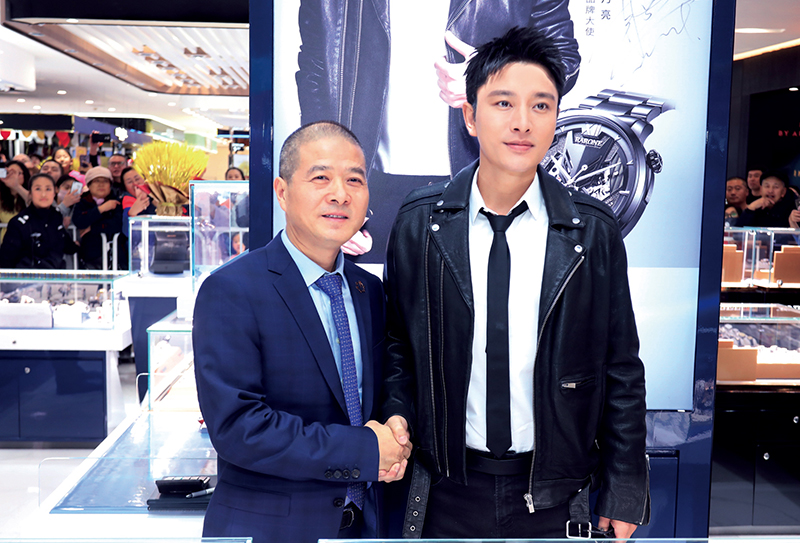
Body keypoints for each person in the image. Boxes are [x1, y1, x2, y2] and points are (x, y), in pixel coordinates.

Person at [382, 27, 649, 540]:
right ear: (469, 115)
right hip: (446, 489)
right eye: (503, 102)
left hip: (558, 491)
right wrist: (396, 413)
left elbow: (620, 366)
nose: (523, 122)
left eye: (541, 106)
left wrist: (625, 486)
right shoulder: (420, 222)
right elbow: (398, 343)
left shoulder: (592, 230)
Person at [193, 121, 411, 543]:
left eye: (354, 180)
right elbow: (240, 427)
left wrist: (397, 427)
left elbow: (382, 387)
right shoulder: (232, 290)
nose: (340, 194)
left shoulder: (369, 290)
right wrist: (366, 451)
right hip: (272, 529)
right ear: (282, 191)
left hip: (366, 526)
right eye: (321, 178)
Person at [297, 0, 580, 262]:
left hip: (482, 187)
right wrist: (327, 191)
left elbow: (563, 59)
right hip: (369, 193)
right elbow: (316, 71)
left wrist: (494, 82)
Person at [0, 173, 78, 269]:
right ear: (30, 193)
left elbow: (64, 244)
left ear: (55, 192)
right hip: (27, 276)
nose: (43, 194)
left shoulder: (56, 217)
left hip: (55, 275)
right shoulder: (19, 223)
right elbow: (6, 259)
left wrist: (76, 245)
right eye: (38, 189)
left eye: (48, 189)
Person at [72, 166, 127, 269]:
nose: (101, 184)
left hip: (116, 256)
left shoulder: (117, 201)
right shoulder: (81, 202)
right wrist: (101, 209)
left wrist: (92, 227)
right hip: (90, 256)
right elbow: (79, 221)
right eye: (96, 181)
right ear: (89, 185)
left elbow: (117, 224)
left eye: (105, 181)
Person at [120, 167, 156, 238]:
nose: (135, 183)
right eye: (129, 182)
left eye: (137, 179)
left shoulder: (157, 197)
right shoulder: (125, 203)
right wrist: (131, 214)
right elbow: (127, 232)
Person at [0, 160, 30, 242]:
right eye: (9, 173)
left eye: (18, 173)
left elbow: (34, 203)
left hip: (26, 240)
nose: (14, 176)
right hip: (5, 240)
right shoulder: (1, 196)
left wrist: (17, 186)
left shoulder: (31, 193)